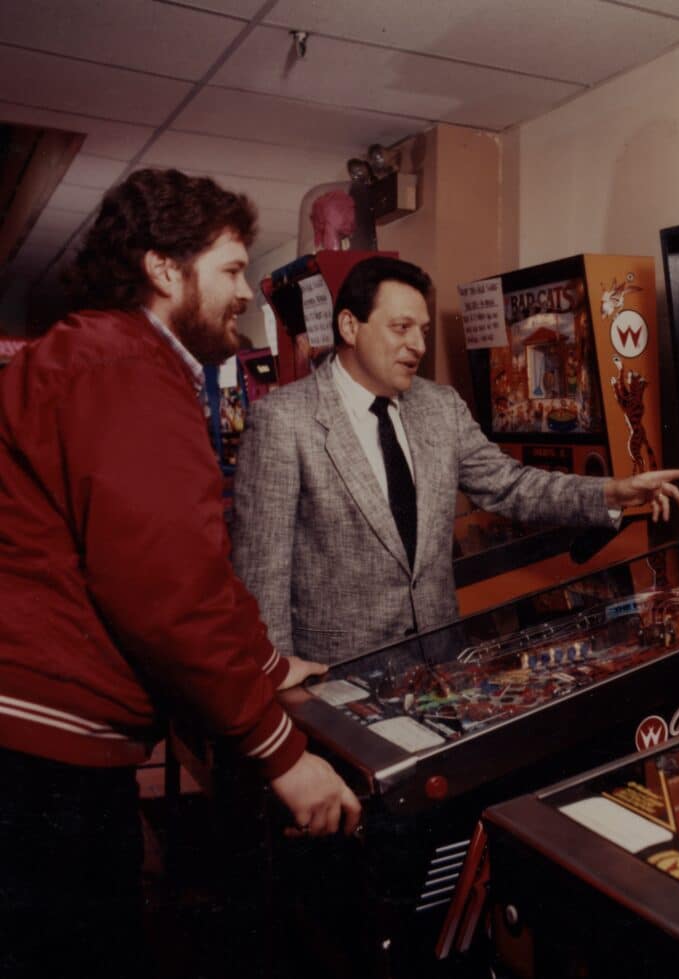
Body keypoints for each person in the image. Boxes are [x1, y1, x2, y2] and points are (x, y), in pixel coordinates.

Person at [0, 168, 361, 978]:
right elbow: (166, 592)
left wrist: (267, 663)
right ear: (164, 269)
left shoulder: (99, 353)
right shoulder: (126, 365)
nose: (246, 295)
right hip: (39, 758)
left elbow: (186, 564)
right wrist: (284, 755)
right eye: (232, 270)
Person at [231, 256, 679, 664]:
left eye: (424, 331)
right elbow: (260, 582)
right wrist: (279, 687)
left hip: (440, 662)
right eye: (401, 328)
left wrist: (612, 491)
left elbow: (511, 485)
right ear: (350, 326)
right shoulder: (282, 420)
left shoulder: (440, 406)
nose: (418, 345)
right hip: (337, 676)